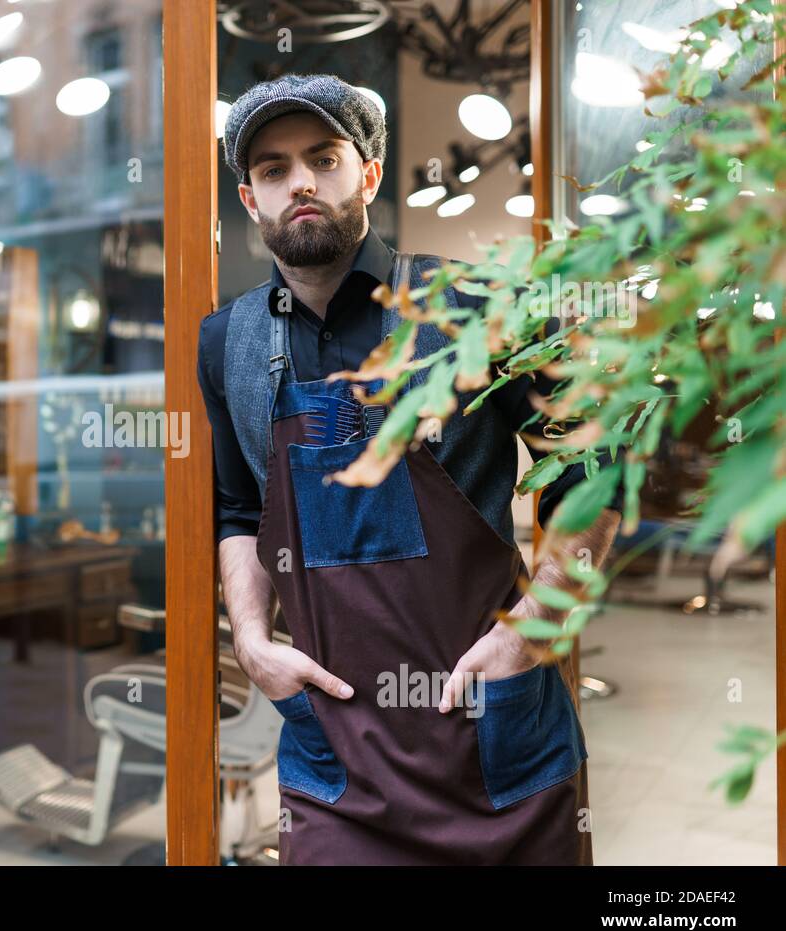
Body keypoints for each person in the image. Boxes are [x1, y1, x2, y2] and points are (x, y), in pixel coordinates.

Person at [197, 73, 623, 865]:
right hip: (337, 772)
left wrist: (537, 629)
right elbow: (237, 510)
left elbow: (592, 466)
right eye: (272, 169)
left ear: (367, 173)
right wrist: (251, 639)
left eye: (323, 158)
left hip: (494, 751)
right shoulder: (229, 344)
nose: (300, 183)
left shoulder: (482, 305)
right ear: (251, 202)